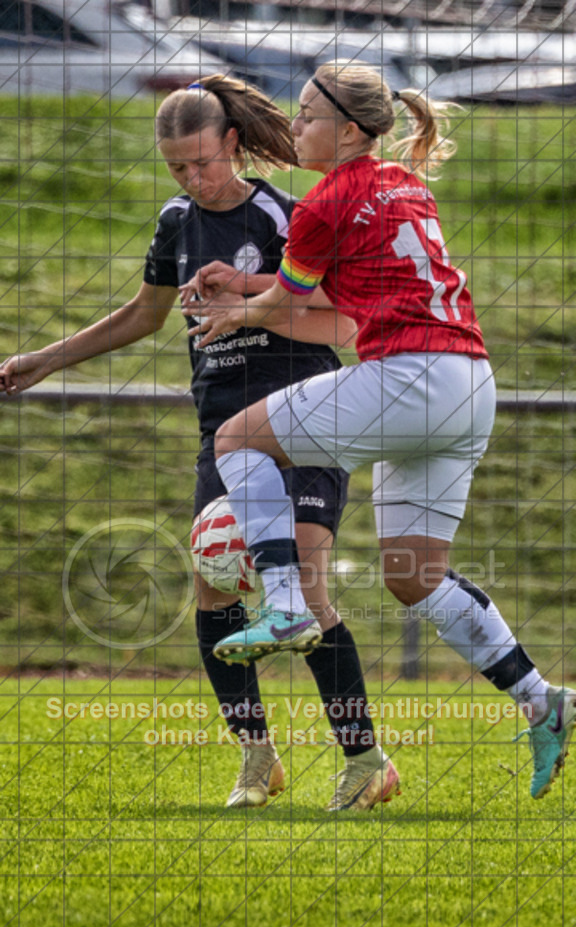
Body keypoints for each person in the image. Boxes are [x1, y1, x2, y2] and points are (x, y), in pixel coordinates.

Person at [0, 74, 398, 812]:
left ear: (234, 144)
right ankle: (257, 757)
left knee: (305, 586)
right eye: (176, 166)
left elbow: (344, 320)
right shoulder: (176, 222)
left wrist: (248, 304)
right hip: (223, 428)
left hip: (302, 416)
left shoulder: (285, 215)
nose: (192, 177)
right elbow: (143, 315)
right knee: (215, 585)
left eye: (203, 162)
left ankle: (365, 759)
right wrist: (45, 359)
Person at [186, 61, 575, 802]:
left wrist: (239, 309)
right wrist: (246, 288)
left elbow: (288, 303)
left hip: (410, 377)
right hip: (469, 386)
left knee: (237, 440)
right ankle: (541, 699)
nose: (297, 126)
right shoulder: (402, 183)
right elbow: (334, 287)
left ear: (348, 131)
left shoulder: (326, 198)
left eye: (308, 114)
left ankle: (284, 604)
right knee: (413, 574)